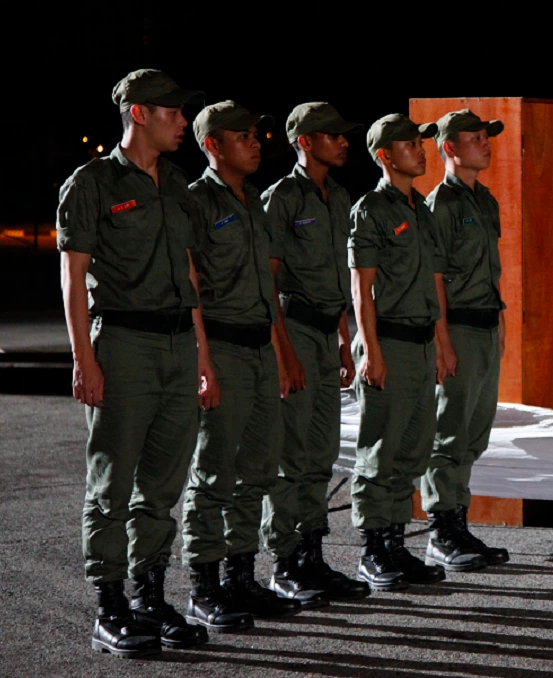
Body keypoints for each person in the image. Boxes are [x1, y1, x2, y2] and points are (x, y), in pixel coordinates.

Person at [57, 68, 210, 657]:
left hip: (176, 344)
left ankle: (150, 595)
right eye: (173, 113)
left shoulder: (176, 185)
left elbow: (191, 276)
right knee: (112, 483)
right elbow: (72, 278)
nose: (182, 123)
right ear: (140, 114)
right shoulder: (91, 183)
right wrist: (84, 359)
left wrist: (201, 354)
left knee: (163, 484)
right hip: (122, 343)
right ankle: (110, 605)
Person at [181, 100, 301, 630]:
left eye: (256, 135)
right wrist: (202, 359)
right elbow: (192, 292)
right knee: (213, 474)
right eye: (243, 136)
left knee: (256, 472)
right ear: (212, 145)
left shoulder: (252, 200)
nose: (256, 143)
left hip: (257, 349)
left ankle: (240, 576)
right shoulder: (196, 203)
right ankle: (203, 587)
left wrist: (279, 353)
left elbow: (267, 291)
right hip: (223, 349)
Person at [261, 102, 370, 605]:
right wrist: (284, 354)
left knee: (322, 454)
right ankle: (284, 563)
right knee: (293, 455)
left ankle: (312, 557)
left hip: (328, 334)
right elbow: (270, 282)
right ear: (305, 142)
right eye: (333, 135)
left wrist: (346, 339)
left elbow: (338, 279)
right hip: (296, 330)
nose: (344, 141)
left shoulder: (340, 196)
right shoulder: (281, 198)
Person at [348, 113, 449, 588]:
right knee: (380, 452)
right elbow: (361, 288)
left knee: (412, 448)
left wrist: (443, 343)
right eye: (410, 145)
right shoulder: (372, 209)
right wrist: (370, 350)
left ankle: (394, 543)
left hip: (421, 342)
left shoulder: (420, 210)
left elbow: (433, 282)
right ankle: (371, 551)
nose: (422, 150)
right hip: (388, 340)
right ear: (386, 155)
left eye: (422, 143)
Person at [423, 109, 510, 571]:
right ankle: (440, 531)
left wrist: (500, 325)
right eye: (475, 138)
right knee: (449, 432)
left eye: (486, 137)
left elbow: (490, 272)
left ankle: (458, 522)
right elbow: (433, 277)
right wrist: (442, 342)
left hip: (483, 326)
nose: (486, 143)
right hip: (455, 326)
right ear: (450, 148)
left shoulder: (484, 201)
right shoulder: (440, 205)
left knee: (475, 431)